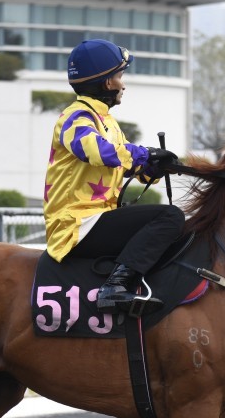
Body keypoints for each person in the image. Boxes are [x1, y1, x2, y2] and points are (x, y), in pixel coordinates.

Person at [43, 38, 184, 312]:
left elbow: (124, 162)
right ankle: (114, 288)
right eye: (120, 76)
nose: (123, 84)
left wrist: (152, 169)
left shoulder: (108, 122)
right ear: (108, 83)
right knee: (170, 217)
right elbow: (99, 152)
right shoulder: (75, 117)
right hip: (75, 225)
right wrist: (145, 154)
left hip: (96, 219)